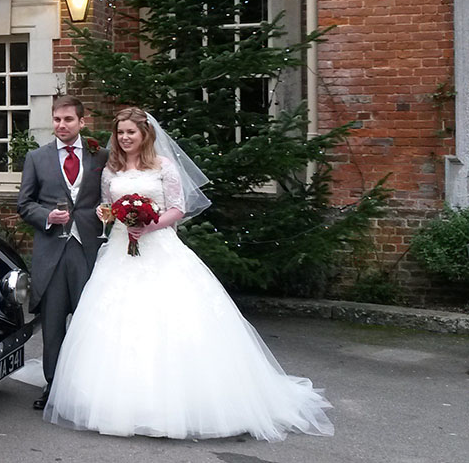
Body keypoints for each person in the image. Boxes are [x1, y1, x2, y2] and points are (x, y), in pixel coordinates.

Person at [43, 107, 334, 441]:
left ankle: (182, 404)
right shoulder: (111, 170)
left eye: (131, 133)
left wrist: (149, 224)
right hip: (121, 252)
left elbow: (178, 209)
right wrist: (110, 215)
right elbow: (106, 206)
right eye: (120, 133)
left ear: (145, 135)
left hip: (160, 247)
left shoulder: (163, 167)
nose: (124, 138)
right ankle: (116, 402)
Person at [16, 95, 108, 410]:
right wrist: (46, 216)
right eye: (57, 119)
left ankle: (86, 388)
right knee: (53, 325)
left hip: (87, 250)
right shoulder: (36, 158)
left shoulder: (100, 156)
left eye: (68, 119)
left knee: (88, 323)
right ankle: (53, 388)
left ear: (82, 122)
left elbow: (110, 195)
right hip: (52, 251)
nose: (61, 125)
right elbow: (24, 204)